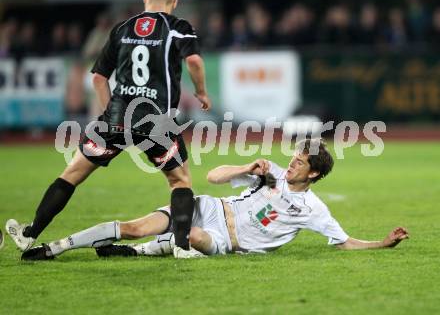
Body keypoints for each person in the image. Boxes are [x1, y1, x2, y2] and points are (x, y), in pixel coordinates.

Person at [6, 0, 211, 259]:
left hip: (115, 119)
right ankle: (181, 246)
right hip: (156, 123)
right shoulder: (177, 27)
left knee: (72, 174)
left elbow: (99, 77)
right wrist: (201, 92)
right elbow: (195, 61)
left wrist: (110, 115)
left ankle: (30, 234)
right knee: (180, 182)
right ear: (174, 2)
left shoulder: (122, 28)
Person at [20, 139, 409, 261]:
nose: (291, 165)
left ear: (314, 175)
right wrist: (248, 165)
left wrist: (382, 243)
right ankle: (54, 248)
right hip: (211, 206)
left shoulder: (313, 209)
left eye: (300, 163)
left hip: (227, 239)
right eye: (292, 158)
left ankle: (140, 253)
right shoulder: (269, 171)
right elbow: (212, 177)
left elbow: (343, 241)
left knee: (197, 239)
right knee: (139, 224)